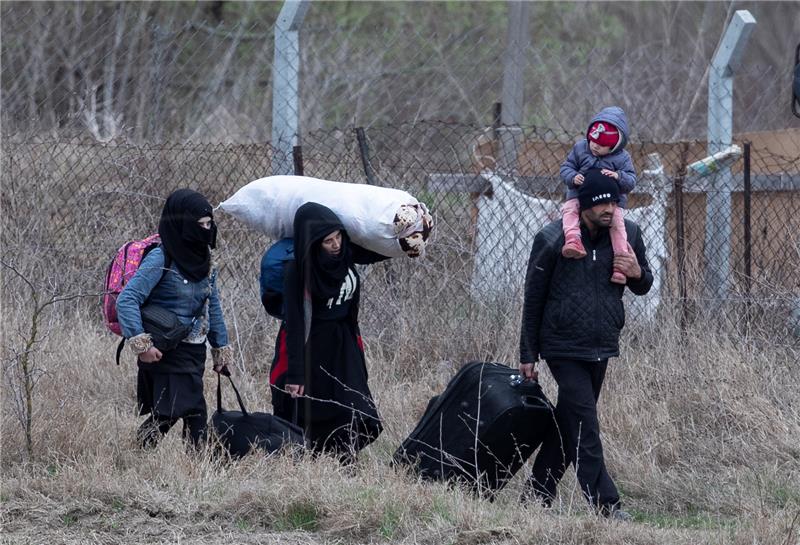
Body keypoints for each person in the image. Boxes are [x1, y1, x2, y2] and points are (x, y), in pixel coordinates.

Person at [518, 170, 653, 519]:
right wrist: (528, 353)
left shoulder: (628, 235)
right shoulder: (553, 239)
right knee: (587, 424)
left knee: (570, 422)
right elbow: (533, 299)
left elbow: (643, 285)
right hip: (561, 346)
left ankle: (536, 495)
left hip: (602, 342)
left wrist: (637, 272)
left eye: (614, 201)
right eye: (602, 202)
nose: (610, 208)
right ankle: (606, 505)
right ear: (585, 205)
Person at [269, 202, 387, 463]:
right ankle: (318, 464)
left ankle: (346, 461)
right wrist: (295, 374)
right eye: (327, 241)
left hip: (343, 344)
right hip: (313, 347)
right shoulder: (296, 271)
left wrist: (407, 239)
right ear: (312, 244)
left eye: (338, 237)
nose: (336, 245)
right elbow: (295, 324)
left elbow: (380, 249)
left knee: (354, 405)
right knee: (314, 411)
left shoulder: (345, 254)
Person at [116, 189, 232, 448]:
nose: (206, 230)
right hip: (165, 349)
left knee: (181, 412)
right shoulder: (161, 257)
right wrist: (142, 345)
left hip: (194, 349)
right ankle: (186, 463)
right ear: (182, 224)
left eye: (209, 223)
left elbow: (212, 306)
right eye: (199, 225)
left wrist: (220, 350)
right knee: (181, 411)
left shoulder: (206, 260)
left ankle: (184, 465)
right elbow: (127, 299)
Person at [559, 106, 637, 284]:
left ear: (614, 146)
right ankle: (573, 240)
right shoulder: (581, 148)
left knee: (618, 225)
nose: (594, 145)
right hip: (579, 195)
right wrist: (572, 177)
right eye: (592, 140)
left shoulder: (622, 158)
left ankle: (620, 264)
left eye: (601, 145)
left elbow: (631, 181)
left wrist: (619, 176)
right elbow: (566, 167)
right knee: (569, 210)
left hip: (610, 202)